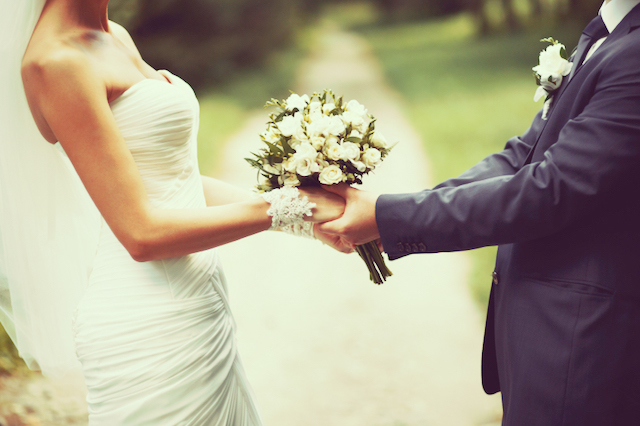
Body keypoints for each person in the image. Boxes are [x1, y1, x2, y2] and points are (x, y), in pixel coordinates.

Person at [0, 0, 350, 424]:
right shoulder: (55, 61)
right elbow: (141, 233)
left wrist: (308, 221)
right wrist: (292, 205)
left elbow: (175, 182)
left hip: (202, 307)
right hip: (148, 326)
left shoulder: (114, 35)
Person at [320, 0, 640, 424]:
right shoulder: (607, 34)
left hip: (583, 343)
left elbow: (551, 189)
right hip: (543, 335)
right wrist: (394, 211)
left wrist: (386, 217)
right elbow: (522, 155)